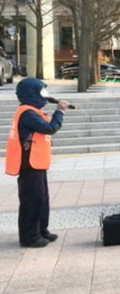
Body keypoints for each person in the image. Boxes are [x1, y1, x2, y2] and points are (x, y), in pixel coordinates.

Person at [4, 78, 68, 248]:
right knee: (31, 200)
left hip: (36, 163)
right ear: (31, 94)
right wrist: (60, 112)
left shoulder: (32, 111)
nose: (44, 96)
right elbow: (49, 128)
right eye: (41, 92)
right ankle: (29, 236)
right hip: (28, 164)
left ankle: (41, 230)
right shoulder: (27, 113)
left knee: (41, 198)